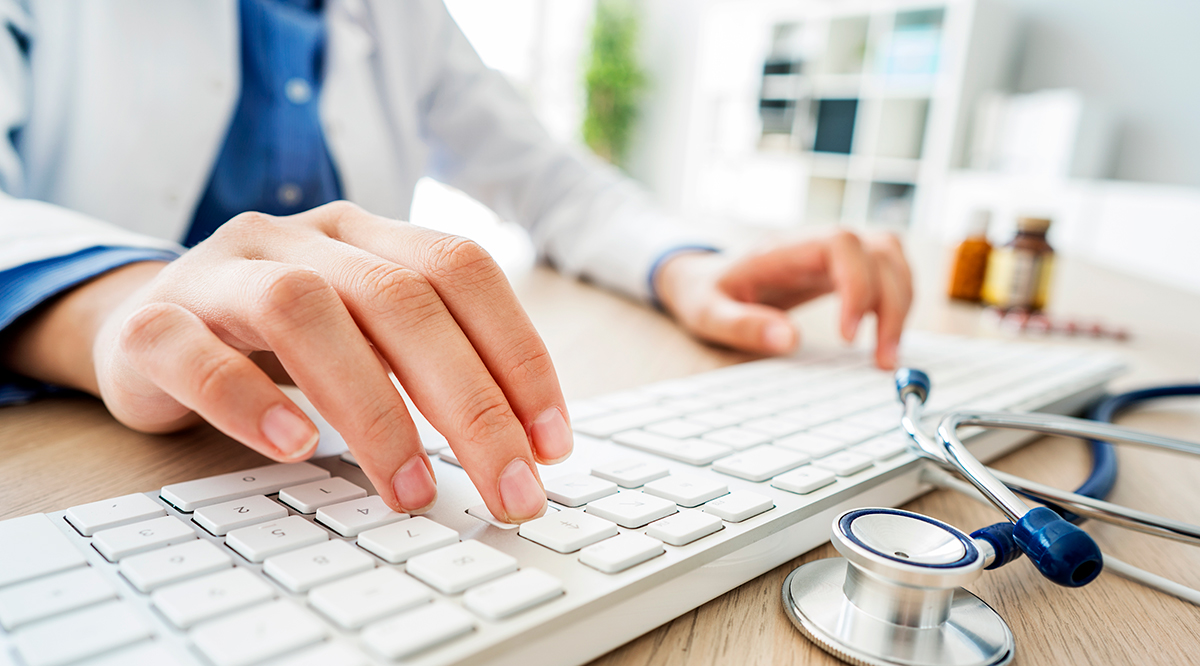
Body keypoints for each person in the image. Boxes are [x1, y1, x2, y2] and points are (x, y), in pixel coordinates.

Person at [0, 1, 911, 524]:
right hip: (92, 451)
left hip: (340, 439)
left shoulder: (401, 15)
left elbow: (552, 181)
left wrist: (684, 264)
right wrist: (117, 313)